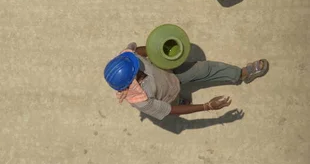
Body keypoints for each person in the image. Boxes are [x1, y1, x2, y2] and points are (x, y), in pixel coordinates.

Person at [104, 42, 269, 121]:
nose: (137, 61)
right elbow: (170, 110)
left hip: (170, 71)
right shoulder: (142, 101)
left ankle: (241, 74)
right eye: (136, 67)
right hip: (167, 94)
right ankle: (181, 98)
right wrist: (207, 106)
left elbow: (137, 51)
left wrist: (158, 51)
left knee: (206, 69)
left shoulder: (127, 61)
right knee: (177, 101)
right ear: (133, 81)